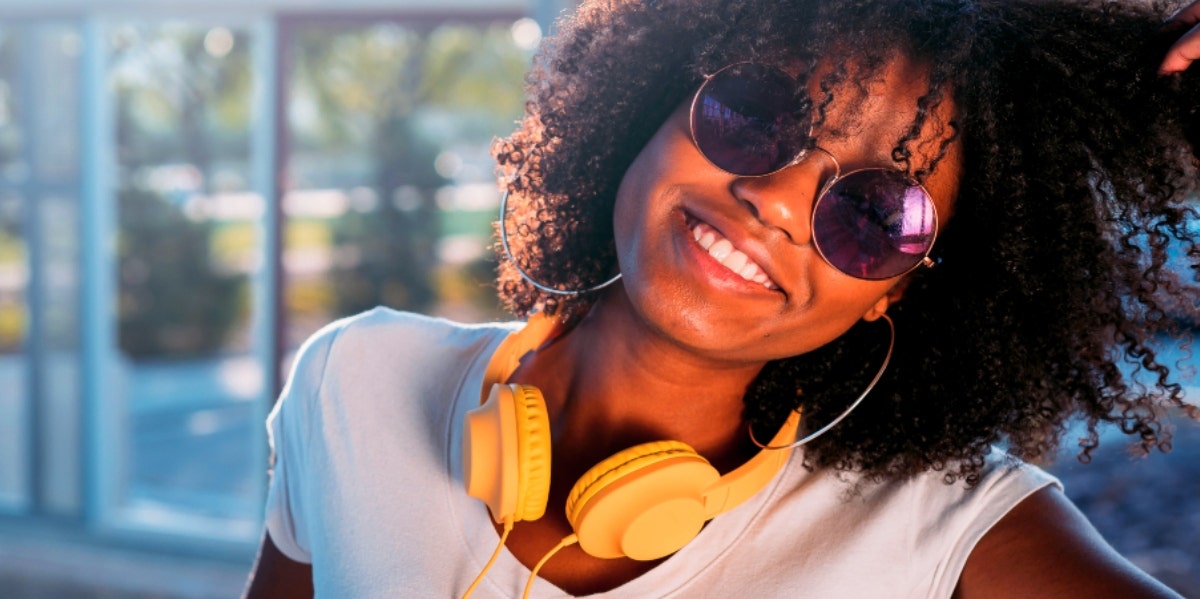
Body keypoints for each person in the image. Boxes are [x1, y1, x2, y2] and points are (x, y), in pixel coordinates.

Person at [244, 0, 1200, 596]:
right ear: (650, 108)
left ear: (897, 296)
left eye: (873, 211)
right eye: (755, 116)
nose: (778, 201)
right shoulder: (356, 378)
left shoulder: (946, 530)